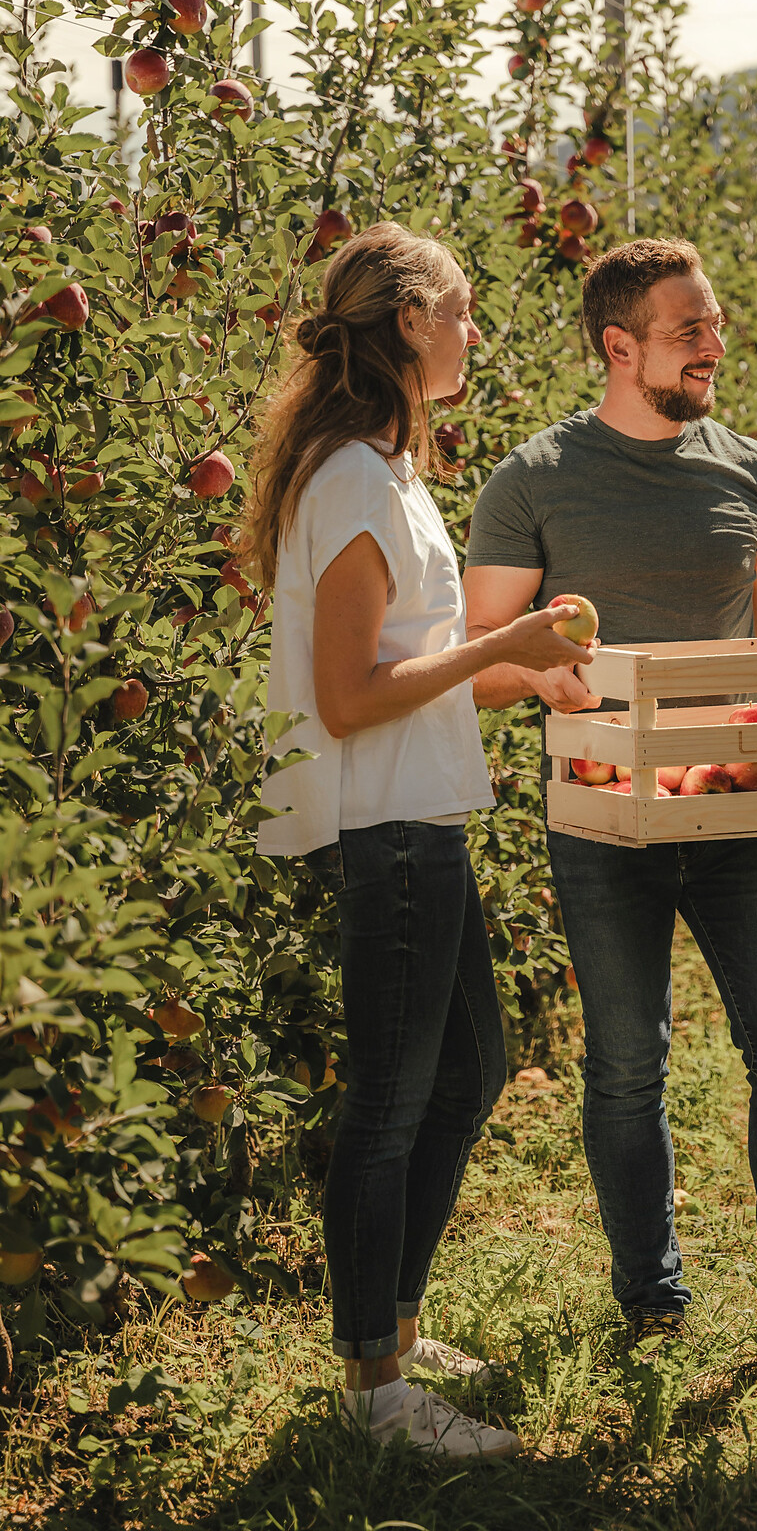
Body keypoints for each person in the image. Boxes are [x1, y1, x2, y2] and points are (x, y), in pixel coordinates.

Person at [463, 237, 757, 1365]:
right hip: (603, 813)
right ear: (621, 347)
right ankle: (652, 1305)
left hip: (735, 801)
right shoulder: (535, 479)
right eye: (689, 330)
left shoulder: (745, 469)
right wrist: (543, 676)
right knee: (627, 1064)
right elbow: (480, 656)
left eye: (715, 323)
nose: (715, 344)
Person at [245, 223, 591, 1457]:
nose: (474, 333)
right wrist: (506, 644)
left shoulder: (388, 474)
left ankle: (390, 1326)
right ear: (409, 322)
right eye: (462, 310)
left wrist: (526, 675)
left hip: (422, 813)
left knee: (470, 1072)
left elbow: (414, 671)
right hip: (383, 825)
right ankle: (375, 1394)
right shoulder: (350, 480)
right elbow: (349, 699)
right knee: (392, 1103)